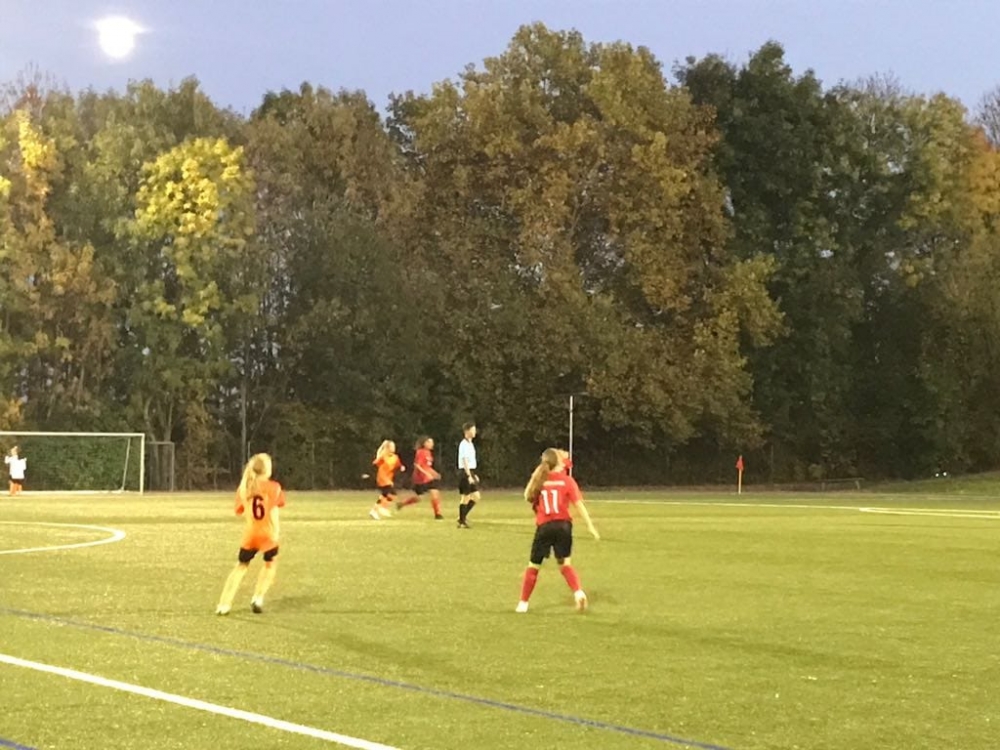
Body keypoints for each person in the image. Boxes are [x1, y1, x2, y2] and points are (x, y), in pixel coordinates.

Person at [516, 447, 599, 614]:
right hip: (564, 526)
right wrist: (590, 526)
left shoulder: (540, 480)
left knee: (534, 566)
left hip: (545, 526)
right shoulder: (567, 481)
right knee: (565, 565)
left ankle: (523, 604)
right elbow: (579, 505)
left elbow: (529, 497)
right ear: (558, 463)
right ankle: (578, 593)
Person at [216, 453, 285, 615]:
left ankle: (224, 604)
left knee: (241, 566)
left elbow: (239, 510)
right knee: (270, 563)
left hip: (251, 534)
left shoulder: (245, 487)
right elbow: (274, 510)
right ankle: (257, 598)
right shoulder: (274, 487)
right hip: (268, 533)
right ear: (267, 469)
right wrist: (276, 531)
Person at [401, 436, 443, 519]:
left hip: (428, 478)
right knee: (419, 498)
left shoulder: (428, 453)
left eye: (432, 442)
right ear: (424, 443)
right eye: (429, 442)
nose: (432, 444)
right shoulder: (420, 452)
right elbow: (417, 465)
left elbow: (427, 467)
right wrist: (426, 474)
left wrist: (434, 473)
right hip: (420, 478)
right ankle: (403, 503)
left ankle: (438, 514)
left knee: (434, 492)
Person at [370, 440, 405, 520]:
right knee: (390, 494)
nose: (394, 448)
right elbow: (375, 464)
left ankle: (375, 510)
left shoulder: (395, 457)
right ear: (387, 448)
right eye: (392, 447)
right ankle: (382, 508)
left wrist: (401, 467)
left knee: (386, 495)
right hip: (382, 478)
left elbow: (398, 465)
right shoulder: (383, 456)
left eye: (394, 446)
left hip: (389, 479)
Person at [457, 422, 480, 529]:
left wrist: (473, 474)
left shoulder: (470, 444)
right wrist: (468, 475)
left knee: (476, 496)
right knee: (465, 497)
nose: (474, 432)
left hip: (470, 471)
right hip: (465, 471)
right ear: (467, 431)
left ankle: (462, 517)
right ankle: (461, 522)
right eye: (473, 430)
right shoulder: (464, 444)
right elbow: (464, 460)